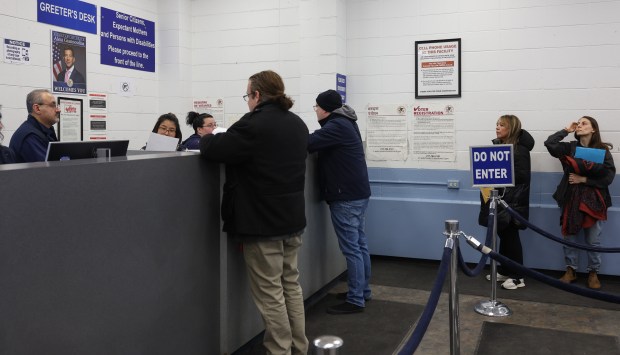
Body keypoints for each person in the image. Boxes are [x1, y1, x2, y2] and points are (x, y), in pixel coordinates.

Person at [200, 70, 309, 354]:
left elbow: (213, 148)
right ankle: (299, 346)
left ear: (257, 95)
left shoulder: (253, 124)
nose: (248, 101)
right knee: (291, 286)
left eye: (248, 96)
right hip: (292, 219)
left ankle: (280, 350)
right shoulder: (298, 124)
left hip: (262, 224)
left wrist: (206, 134)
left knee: (270, 293)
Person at [307, 89, 372, 314]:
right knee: (360, 245)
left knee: (352, 249)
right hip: (357, 193)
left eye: (316, 107)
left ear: (325, 109)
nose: (315, 110)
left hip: (346, 196)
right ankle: (363, 291)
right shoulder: (346, 122)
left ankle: (355, 299)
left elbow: (308, 142)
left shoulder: (336, 126)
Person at [544, 116, 615, 290]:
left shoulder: (602, 150)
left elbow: (608, 176)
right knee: (569, 234)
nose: (580, 125)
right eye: (579, 123)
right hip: (570, 198)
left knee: (593, 239)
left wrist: (584, 179)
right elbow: (550, 144)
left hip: (594, 200)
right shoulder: (570, 148)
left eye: (585, 123)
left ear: (593, 130)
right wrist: (566, 130)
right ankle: (571, 270)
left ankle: (593, 272)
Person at [478, 115, 535, 290]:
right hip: (501, 199)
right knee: (504, 235)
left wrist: (498, 171)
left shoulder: (519, 150)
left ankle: (518, 276)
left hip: (512, 202)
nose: (497, 127)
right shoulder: (501, 147)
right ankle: (505, 269)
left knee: (511, 238)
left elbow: (521, 177)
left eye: (502, 125)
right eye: (497, 124)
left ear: (511, 128)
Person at [9, 89, 60, 162]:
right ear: (37, 108)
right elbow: (48, 168)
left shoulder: (46, 131)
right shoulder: (30, 136)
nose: (58, 110)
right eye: (53, 105)